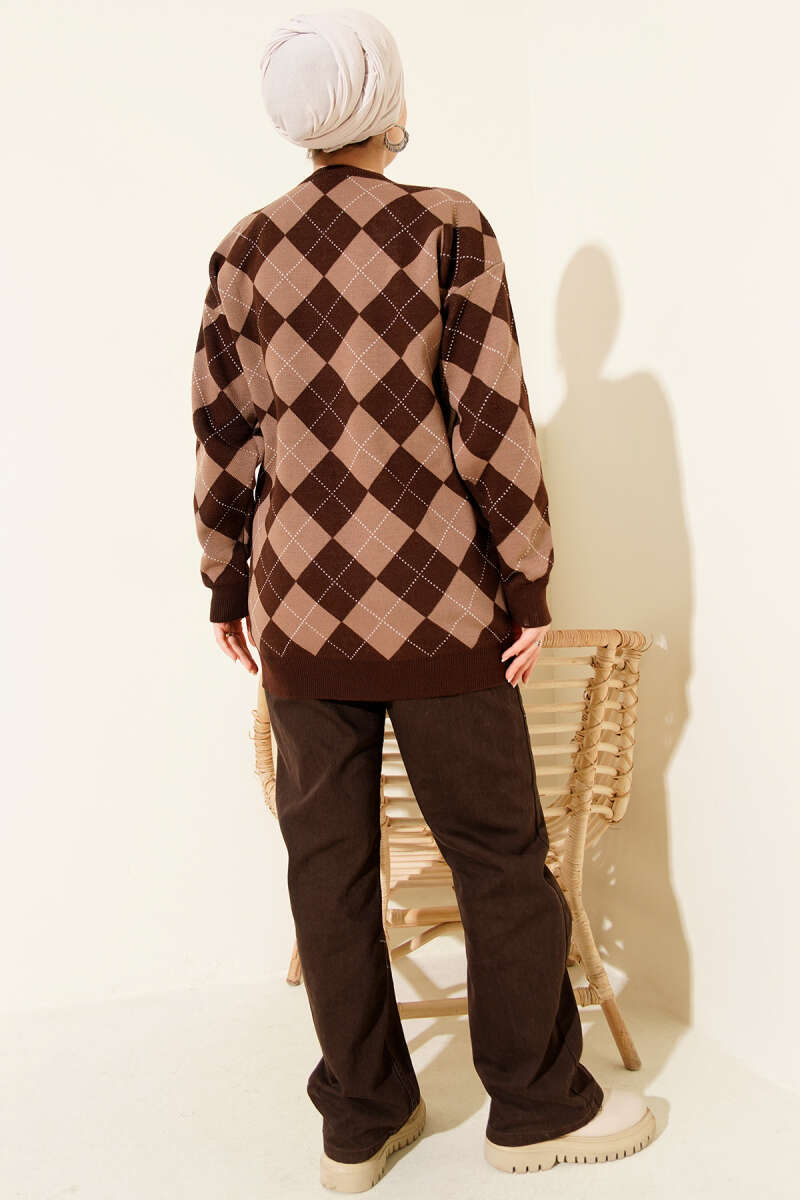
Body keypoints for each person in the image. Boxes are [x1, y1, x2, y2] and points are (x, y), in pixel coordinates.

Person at [190, 8, 655, 1191]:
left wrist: (224, 580)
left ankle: (361, 1122)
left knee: (325, 866)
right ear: (382, 104)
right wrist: (526, 582)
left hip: (299, 609)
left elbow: (223, 434)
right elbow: (491, 419)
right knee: (497, 853)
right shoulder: (444, 226)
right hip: (441, 603)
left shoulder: (243, 250)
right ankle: (536, 1106)